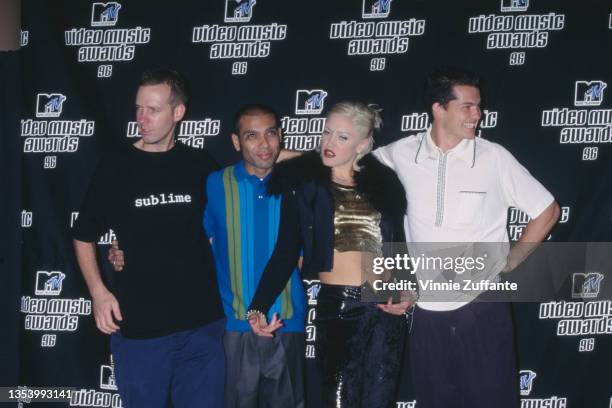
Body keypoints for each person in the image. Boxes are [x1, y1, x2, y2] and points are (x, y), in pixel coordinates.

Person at [371, 67, 561, 408]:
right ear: (438, 108)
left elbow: (547, 210)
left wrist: (512, 260)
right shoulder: (400, 154)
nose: (478, 114)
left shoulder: (493, 157)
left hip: (482, 306)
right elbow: (346, 168)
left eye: (478, 106)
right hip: (426, 310)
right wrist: (283, 158)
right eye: (468, 106)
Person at [109, 105, 307, 408]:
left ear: (281, 135)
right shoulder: (215, 183)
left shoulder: (301, 184)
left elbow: (340, 167)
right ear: (235, 142)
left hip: (285, 320)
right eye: (251, 136)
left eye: (270, 133)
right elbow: (178, 233)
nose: (263, 144)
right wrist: (123, 247)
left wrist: (390, 283)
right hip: (232, 324)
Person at [73, 69, 225, 408]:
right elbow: (83, 235)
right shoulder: (116, 166)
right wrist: (99, 293)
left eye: (153, 110)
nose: (142, 118)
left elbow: (227, 224)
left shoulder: (200, 165)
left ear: (178, 113)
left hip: (203, 327)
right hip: (140, 330)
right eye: (138, 108)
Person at [247, 102, 412, 407]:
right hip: (339, 305)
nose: (329, 142)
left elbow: (396, 243)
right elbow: (285, 252)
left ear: (362, 144)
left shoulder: (385, 184)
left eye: (342, 137)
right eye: (327, 132)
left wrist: (407, 289)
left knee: (380, 399)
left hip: (385, 307)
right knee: (338, 399)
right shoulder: (304, 185)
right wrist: (256, 307)